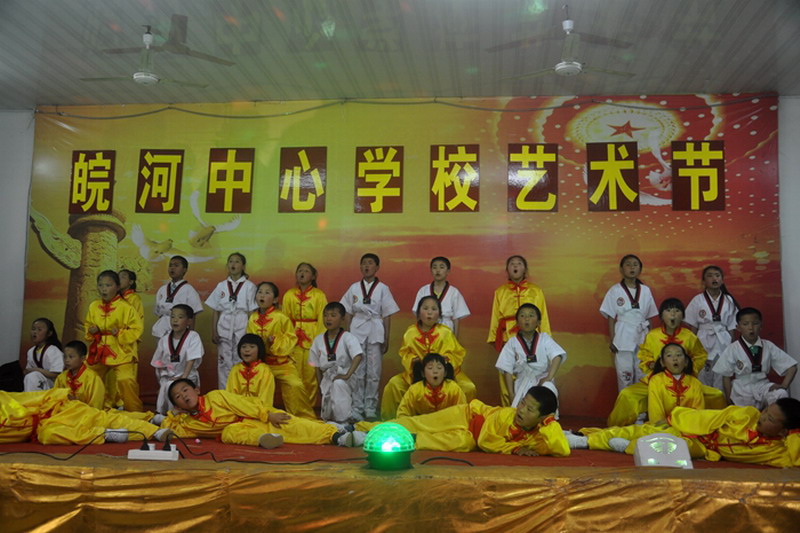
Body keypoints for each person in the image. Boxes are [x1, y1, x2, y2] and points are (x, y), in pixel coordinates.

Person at [566, 398, 800, 468]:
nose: (763, 417)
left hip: (704, 449)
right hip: (696, 431)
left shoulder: (778, 451)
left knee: (672, 448)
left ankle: (626, 447)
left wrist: (794, 433)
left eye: (771, 419)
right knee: (642, 429)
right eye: (765, 411)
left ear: (784, 431)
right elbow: (707, 417)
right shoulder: (747, 414)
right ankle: (584, 439)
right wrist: (676, 419)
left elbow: (796, 457)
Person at [356, 386, 569, 456]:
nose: (521, 409)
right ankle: (362, 429)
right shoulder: (507, 415)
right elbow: (486, 440)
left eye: (529, 409)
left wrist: (550, 424)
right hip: (466, 416)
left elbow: (562, 450)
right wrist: (515, 449)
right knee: (419, 422)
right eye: (522, 403)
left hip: (469, 438)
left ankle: (404, 440)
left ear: (542, 417)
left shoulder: (540, 433)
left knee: (458, 443)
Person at [607, 298, 723, 426]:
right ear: (661, 315)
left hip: (685, 381)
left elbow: (700, 355)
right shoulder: (652, 335)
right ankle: (616, 427)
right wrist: (650, 364)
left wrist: (689, 368)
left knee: (716, 395)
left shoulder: (689, 336)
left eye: (677, 311)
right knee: (627, 394)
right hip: (656, 381)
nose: (673, 314)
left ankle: (716, 425)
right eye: (668, 310)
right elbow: (644, 354)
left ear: (683, 316)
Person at [162, 378, 361, 448]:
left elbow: (244, 405)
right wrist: (163, 418)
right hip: (247, 431)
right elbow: (169, 429)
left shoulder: (215, 397)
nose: (184, 396)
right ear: (177, 406)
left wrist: (267, 415)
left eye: (185, 390)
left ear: (197, 390)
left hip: (259, 416)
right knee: (227, 433)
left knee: (296, 426)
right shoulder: (189, 423)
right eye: (178, 396)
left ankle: (337, 436)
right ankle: (264, 440)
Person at [381, 295, 475, 420]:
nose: (429, 312)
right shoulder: (410, 333)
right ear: (418, 313)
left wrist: (445, 361)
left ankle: (463, 420)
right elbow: (405, 353)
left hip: (443, 375)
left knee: (468, 387)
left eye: (434, 309)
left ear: (439, 314)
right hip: (416, 375)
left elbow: (456, 353)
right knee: (394, 385)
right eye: (425, 308)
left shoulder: (445, 332)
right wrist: (413, 361)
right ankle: (393, 422)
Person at [340, 253, 400, 421]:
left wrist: (386, 337)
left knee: (374, 370)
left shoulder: (383, 288)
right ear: (360, 267)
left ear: (377, 267)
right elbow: (347, 312)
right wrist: (347, 335)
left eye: (370, 263)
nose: (367, 266)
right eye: (364, 263)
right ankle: (357, 407)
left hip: (375, 328)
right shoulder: (354, 288)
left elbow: (387, 314)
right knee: (357, 369)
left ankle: (370, 407)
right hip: (357, 327)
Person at [0, 388, 171, 445]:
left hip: (55, 410)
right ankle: (104, 434)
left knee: (104, 417)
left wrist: (61, 395)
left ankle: (153, 429)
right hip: (43, 429)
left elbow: (30, 397)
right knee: (48, 435)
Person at [487, 255, 551, 406]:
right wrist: (495, 339)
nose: (515, 266)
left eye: (519, 264)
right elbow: (495, 317)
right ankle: (508, 411)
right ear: (507, 269)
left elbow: (543, 316)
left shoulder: (536, 291)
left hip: (532, 336)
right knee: (507, 372)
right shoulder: (500, 292)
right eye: (512, 264)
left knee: (532, 372)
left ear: (525, 269)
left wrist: (545, 338)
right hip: (508, 335)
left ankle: (533, 410)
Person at [247, 282, 315, 419]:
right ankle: (260, 415)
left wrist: (275, 341)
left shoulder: (281, 317)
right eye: (260, 292)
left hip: (282, 364)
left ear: (275, 299)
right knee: (253, 383)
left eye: (267, 293)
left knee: (295, 384)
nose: (262, 295)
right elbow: (249, 340)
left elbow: (291, 338)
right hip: (262, 364)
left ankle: (302, 418)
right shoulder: (253, 318)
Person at [713, 307, 797, 409]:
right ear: (738, 327)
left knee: (781, 394)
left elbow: (792, 367)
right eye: (745, 324)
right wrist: (728, 399)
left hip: (763, 385)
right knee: (745, 414)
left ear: (761, 326)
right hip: (741, 389)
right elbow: (726, 376)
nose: (751, 328)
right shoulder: (732, 348)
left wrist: (784, 386)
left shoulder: (768, 346)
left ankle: (768, 414)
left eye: (755, 323)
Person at [84, 270, 143, 411]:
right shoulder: (94, 306)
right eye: (101, 285)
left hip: (121, 350)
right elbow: (88, 324)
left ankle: (135, 412)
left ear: (117, 287)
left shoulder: (126, 307)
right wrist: (92, 331)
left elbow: (137, 328)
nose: (103, 289)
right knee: (87, 375)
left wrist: (121, 333)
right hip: (99, 349)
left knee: (125, 379)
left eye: (108, 285)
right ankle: (92, 410)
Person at [599, 254, 658, 392]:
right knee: (624, 374)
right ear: (621, 269)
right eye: (628, 264)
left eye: (635, 265)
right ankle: (626, 405)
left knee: (642, 373)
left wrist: (651, 340)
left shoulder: (646, 290)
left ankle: (641, 406)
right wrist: (613, 339)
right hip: (623, 334)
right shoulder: (615, 290)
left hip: (642, 334)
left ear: (640, 269)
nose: (632, 267)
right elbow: (611, 317)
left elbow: (649, 317)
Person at [495, 303, 565, 410]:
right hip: (522, 383)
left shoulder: (544, 338)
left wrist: (549, 378)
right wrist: (511, 393)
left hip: (542, 381)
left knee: (547, 400)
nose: (526, 319)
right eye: (522, 316)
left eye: (531, 315)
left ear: (538, 322)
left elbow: (557, 356)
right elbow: (506, 369)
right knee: (520, 411)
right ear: (517, 322)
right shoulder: (512, 343)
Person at [205, 252, 257, 389]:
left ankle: (239, 392)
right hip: (224, 324)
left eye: (237, 261)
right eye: (230, 261)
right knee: (223, 361)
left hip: (242, 323)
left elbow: (252, 312)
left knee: (240, 359)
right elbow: (216, 310)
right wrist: (214, 331)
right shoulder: (221, 286)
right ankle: (224, 393)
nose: (233, 264)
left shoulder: (249, 286)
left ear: (243, 266)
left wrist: (250, 333)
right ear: (227, 265)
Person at [684, 265, 739, 390]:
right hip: (703, 338)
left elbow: (732, 326)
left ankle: (721, 401)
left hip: (723, 339)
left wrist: (732, 347)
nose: (714, 278)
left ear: (722, 280)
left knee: (722, 376)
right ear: (703, 281)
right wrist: (692, 348)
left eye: (717, 276)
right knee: (703, 375)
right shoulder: (697, 300)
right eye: (710, 276)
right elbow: (693, 326)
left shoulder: (729, 300)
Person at [308, 302, 363, 423]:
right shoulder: (318, 340)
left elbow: (358, 356)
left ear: (342, 319)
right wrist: (320, 384)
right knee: (328, 413)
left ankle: (344, 421)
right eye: (325, 315)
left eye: (333, 315)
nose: (328, 319)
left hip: (345, 376)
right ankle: (336, 422)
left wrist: (347, 375)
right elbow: (316, 365)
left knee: (338, 384)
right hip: (327, 378)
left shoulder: (348, 337)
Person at [282, 262, 328, 406]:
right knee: (293, 375)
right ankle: (293, 407)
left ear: (313, 276)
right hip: (293, 340)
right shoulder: (289, 295)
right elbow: (285, 319)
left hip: (312, 339)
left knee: (310, 376)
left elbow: (322, 320)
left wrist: (319, 342)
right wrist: (287, 340)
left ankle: (309, 408)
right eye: (300, 270)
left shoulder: (319, 295)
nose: (302, 273)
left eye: (306, 271)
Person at [150, 304, 204, 414]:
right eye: (172, 316)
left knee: (180, 393)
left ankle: (185, 414)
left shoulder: (193, 336)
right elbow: (159, 363)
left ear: (189, 321)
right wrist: (162, 381)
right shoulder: (164, 339)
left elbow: (191, 359)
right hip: (169, 377)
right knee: (166, 393)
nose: (175, 320)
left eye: (180, 317)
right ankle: (167, 416)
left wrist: (183, 378)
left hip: (187, 376)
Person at [411, 257, 470, 339]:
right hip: (427, 328)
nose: (438, 270)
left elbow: (456, 318)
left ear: (448, 271)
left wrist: (455, 339)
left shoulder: (454, 292)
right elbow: (418, 314)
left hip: (446, 330)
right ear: (431, 270)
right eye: (434, 267)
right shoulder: (423, 290)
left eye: (441, 267)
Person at [647, 343, 705, 423]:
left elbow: (699, 412)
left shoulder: (695, 383)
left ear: (686, 361)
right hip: (663, 427)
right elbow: (656, 415)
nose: (675, 359)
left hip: (689, 426)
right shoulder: (656, 381)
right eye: (669, 355)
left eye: (678, 355)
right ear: (662, 362)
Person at [397, 353, 466, 418]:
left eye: (439, 368)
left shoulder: (453, 388)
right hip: (422, 425)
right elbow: (403, 413)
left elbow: (462, 411)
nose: (435, 371)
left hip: (448, 424)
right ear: (423, 373)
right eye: (430, 368)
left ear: (445, 373)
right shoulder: (415, 390)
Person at [152, 255, 204, 339]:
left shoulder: (189, 290)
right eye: (170, 265)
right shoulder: (162, 289)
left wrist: (189, 336)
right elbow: (159, 313)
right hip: (161, 330)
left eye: (176, 265)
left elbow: (193, 314)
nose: (172, 268)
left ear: (184, 270)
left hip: (180, 331)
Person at [226, 333, 276, 410]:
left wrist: (255, 411)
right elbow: (230, 396)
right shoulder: (235, 369)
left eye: (252, 347)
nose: (247, 350)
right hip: (237, 410)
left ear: (260, 349)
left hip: (259, 411)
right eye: (243, 347)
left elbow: (265, 400)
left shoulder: (265, 370)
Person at [53, 340, 105, 410]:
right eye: (65, 357)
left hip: (86, 413)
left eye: (71, 357)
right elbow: (55, 397)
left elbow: (96, 405)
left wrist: (77, 403)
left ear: (83, 358)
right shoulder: (61, 377)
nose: (67, 360)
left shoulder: (92, 378)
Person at [23, 317, 64, 392]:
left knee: (33, 376)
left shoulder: (53, 350)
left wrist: (37, 370)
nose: (35, 332)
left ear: (49, 333)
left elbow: (57, 374)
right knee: (30, 377)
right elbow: (28, 370)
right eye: (33, 329)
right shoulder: (31, 351)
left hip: (53, 385)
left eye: (39, 329)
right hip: (39, 382)